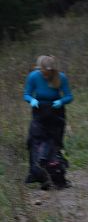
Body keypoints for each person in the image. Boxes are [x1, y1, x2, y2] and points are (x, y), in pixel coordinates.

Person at [23, 54, 73, 188]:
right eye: (43, 72)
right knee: (36, 141)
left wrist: (61, 101)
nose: (45, 75)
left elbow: (69, 96)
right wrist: (32, 100)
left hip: (56, 113)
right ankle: (38, 174)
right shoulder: (33, 76)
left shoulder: (60, 77)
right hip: (39, 112)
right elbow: (26, 94)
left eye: (48, 72)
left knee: (54, 143)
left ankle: (56, 175)